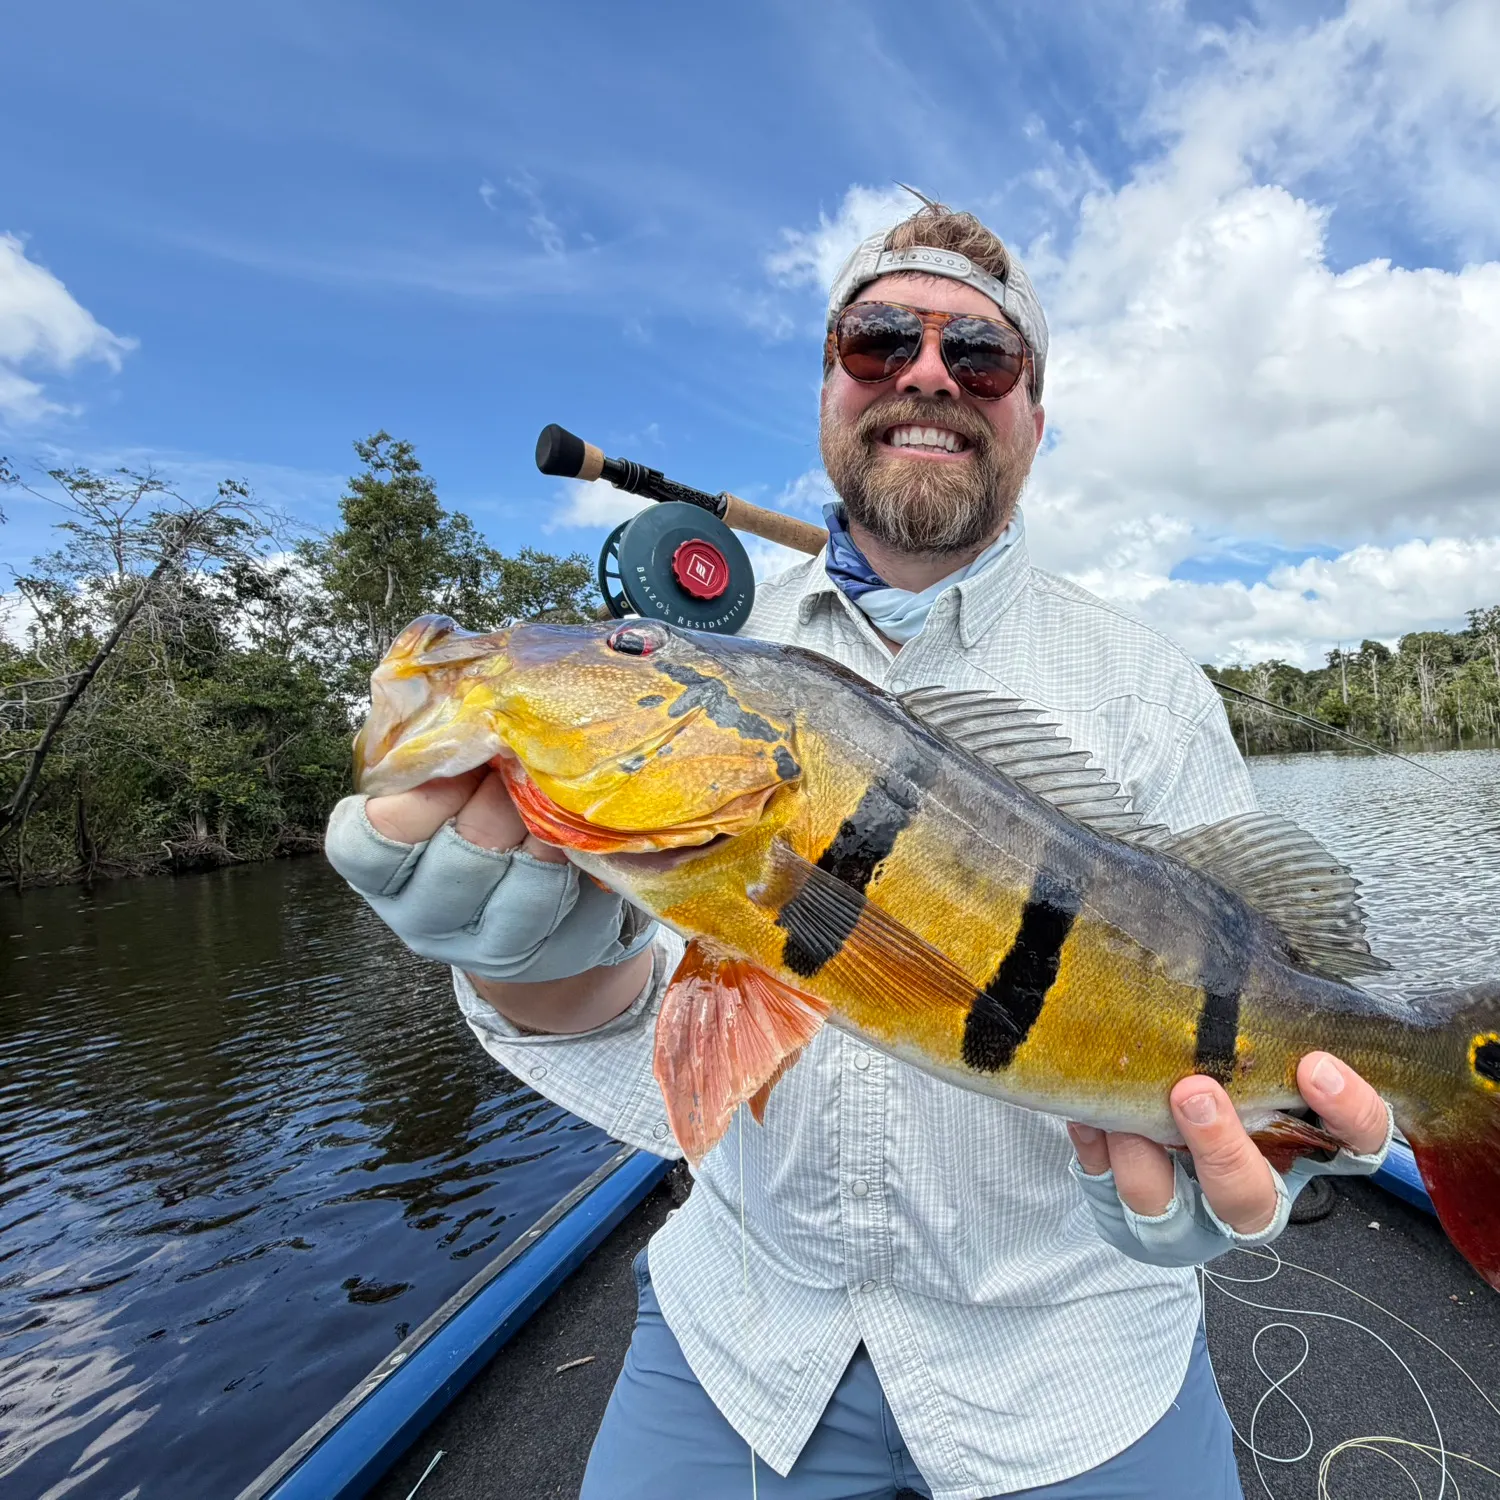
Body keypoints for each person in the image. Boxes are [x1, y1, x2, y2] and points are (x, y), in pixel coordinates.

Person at [325, 199, 1394, 1500]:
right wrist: (533, 973)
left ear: (1035, 415)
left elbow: (1253, 1013)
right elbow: (659, 1041)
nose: (927, 374)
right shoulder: (734, 654)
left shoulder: (1149, 686)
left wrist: (1205, 1183)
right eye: (880, 341)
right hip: (744, 1339)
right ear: (829, 389)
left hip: (1078, 1368)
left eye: (980, 355)